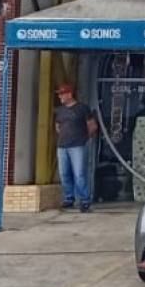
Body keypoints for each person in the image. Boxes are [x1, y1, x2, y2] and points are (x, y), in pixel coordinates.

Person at [52, 83, 99, 212]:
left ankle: (84, 200)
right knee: (64, 173)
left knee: (79, 174)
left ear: (69, 94)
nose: (60, 96)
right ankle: (69, 198)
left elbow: (92, 125)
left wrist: (84, 138)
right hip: (62, 146)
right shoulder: (60, 110)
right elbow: (57, 127)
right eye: (59, 94)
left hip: (78, 145)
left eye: (62, 94)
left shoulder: (82, 108)